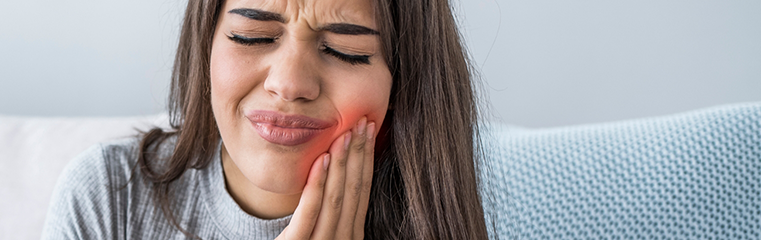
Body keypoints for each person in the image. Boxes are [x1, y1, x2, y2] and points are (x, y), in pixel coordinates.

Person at [42, 0, 488, 239]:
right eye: (251, 36)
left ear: (404, 83)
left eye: (345, 51)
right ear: (206, 46)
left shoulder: (438, 217)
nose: (289, 84)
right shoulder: (108, 196)